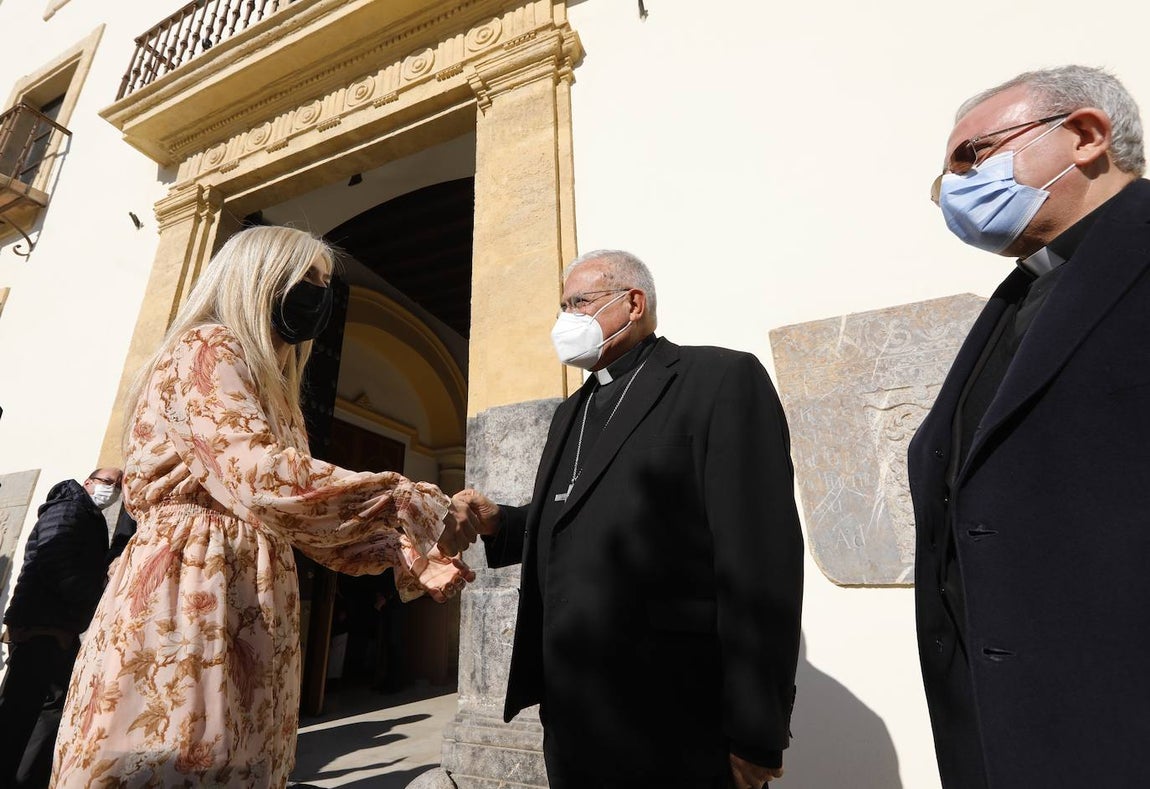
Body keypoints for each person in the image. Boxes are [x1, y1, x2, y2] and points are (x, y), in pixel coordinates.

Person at [50, 226, 479, 788]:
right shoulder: (209, 346)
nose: (318, 297)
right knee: (177, 752)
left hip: (248, 586)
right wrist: (407, 503)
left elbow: (293, 515)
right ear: (260, 279)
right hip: (195, 583)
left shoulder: (274, 383)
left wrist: (412, 544)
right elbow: (257, 474)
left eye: (325, 284)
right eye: (307, 280)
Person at [457, 249, 804, 788]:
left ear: (633, 302)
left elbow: (761, 558)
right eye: (562, 306)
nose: (565, 319)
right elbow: (581, 516)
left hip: (675, 715)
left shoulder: (719, 380)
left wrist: (757, 729)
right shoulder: (571, 410)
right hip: (573, 713)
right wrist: (500, 521)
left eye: (580, 303)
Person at [911, 65, 1150, 788]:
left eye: (970, 157)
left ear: (1084, 136)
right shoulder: (1020, 293)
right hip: (1002, 736)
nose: (953, 187)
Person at [0, 468, 122, 787]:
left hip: (53, 626)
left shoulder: (84, 513)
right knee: (27, 711)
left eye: (119, 486)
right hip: (42, 626)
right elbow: (55, 559)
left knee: (41, 709)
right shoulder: (70, 508)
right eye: (109, 483)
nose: (114, 490)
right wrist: (95, 600)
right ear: (89, 483)